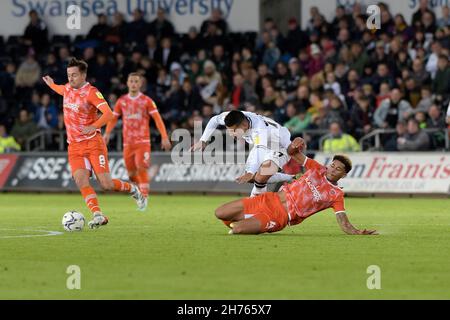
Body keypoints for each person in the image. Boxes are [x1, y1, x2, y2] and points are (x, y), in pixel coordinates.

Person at [42, 58, 145, 229]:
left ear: (83, 75)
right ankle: (98, 215)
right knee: (81, 181)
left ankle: (133, 189)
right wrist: (52, 85)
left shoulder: (91, 92)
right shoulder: (67, 88)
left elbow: (109, 114)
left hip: (93, 143)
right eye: (69, 75)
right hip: (74, 147)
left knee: (106, 185)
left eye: (74, 75)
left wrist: (93, 126)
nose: (71, 78)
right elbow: (61, 90)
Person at [215, 137, 378, 235]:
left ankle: (254, 223)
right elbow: (293, 153)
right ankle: (251, 221)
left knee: (237, 229)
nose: (333, 169)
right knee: (220, 213)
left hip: (279, 216)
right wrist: (296, 144)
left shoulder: (336, 195)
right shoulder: (317, 168)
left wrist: (357, 232)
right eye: (332, 165)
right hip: (268, 199)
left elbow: (343, 222)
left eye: (338, 169)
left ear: (344, 175)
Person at [104, 73, 172, 210]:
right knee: (131, 174)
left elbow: (157, 119)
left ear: (140, 84)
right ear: (127, 83)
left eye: (136, 81)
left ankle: (145, 197)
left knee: (141, 167)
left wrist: (164, 136)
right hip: (127, 143)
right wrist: (107, 133)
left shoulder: (147, 101)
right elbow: (113, 118)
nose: (134, 83)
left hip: (143, 141)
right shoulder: (121, 101)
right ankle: (139, 191)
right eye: (131, 81)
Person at [190, 110, 294, 197]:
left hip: (279, 145)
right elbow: (214, 119)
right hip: (261, 145)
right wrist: (203, 140)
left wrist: (250, 171)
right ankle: (291, 178)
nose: (231, 134)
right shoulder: (234, 117)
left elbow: (260, 150)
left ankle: (256, 206)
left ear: (244, 125)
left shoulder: (259, 129)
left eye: (233, 131)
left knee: (260, 176)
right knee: (252, 178)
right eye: (229, 130)